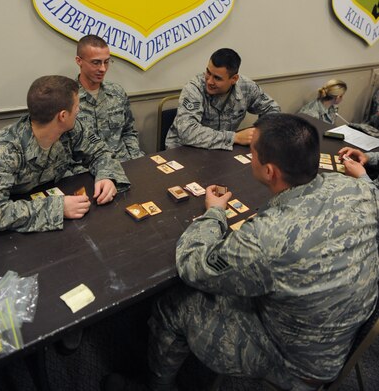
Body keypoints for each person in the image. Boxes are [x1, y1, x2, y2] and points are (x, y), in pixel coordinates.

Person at [104, 114, 379, 391]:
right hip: (337, 338)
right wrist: (365, 178)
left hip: (292, 361)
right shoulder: (355, 187)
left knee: (175, 304)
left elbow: (193, 266)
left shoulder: (266, 237)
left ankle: (156, 387)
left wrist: (213, 213)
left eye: (252, 152)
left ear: (270, 171)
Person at [0, 75, 130, 232]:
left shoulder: (72, 129)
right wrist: (57, 208)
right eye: (76, 105)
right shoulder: (2, 150)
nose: (79, 109)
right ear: (62, 116)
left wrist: (107, 176)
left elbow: (100, 152)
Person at [165, 48, 280, 149]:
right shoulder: (194, 88)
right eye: (208, 73)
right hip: (183, 149)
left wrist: (259, 133)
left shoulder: (246, 87)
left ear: (234, 79)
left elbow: (272, 109)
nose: (209, 81)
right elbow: (187, 132)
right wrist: (234, 137)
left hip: (220, 151)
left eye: (217, 78)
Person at [75, 35, 144, 161]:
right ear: (79, 61)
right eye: (96, 62)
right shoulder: (68, 99)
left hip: (123, 162)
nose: (102, 69)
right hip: (88, 170)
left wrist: (137, 160)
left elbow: (129, 132)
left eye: (106, 62)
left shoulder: (117, 92)